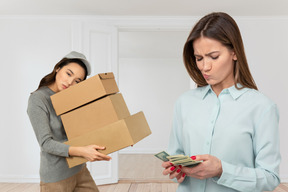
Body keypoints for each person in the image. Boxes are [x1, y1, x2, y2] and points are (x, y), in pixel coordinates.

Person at [162, 12, 281, 192]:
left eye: (214, 56)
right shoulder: (184, 103)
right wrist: (176, 169)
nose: (204, 67)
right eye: (199, 58)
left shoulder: (262, 107)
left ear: (234, 52)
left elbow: (270, 177)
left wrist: (222, 170)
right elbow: (175, 155)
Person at [27, 51, 111, 192]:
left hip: (79, 169)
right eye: (69, 74)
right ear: (58, 68)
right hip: (56, 178)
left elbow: (86, 128)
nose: (70, 82)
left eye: (77, 81)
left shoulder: (73, 98)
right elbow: (46, 143)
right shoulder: (38, 99)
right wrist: (82, 152)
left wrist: (119, 136)